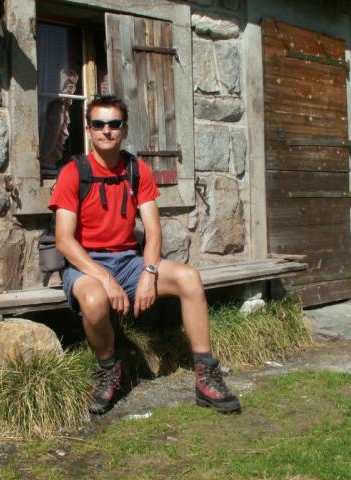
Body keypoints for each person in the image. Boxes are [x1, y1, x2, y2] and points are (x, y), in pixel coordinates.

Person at [48, 95, 241, 415]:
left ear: (124, 130)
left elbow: (153, 230)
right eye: (99, 124)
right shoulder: (73, 172)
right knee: (95, 300)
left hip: (129, 260)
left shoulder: (137, 170)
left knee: (189, 278)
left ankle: (206, 375)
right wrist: (105, 278)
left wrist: (149, 274)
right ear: (89, 129)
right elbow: (64, 241)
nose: (106, 130)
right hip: (86, 263)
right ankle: (109, 368)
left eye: (114, 124)